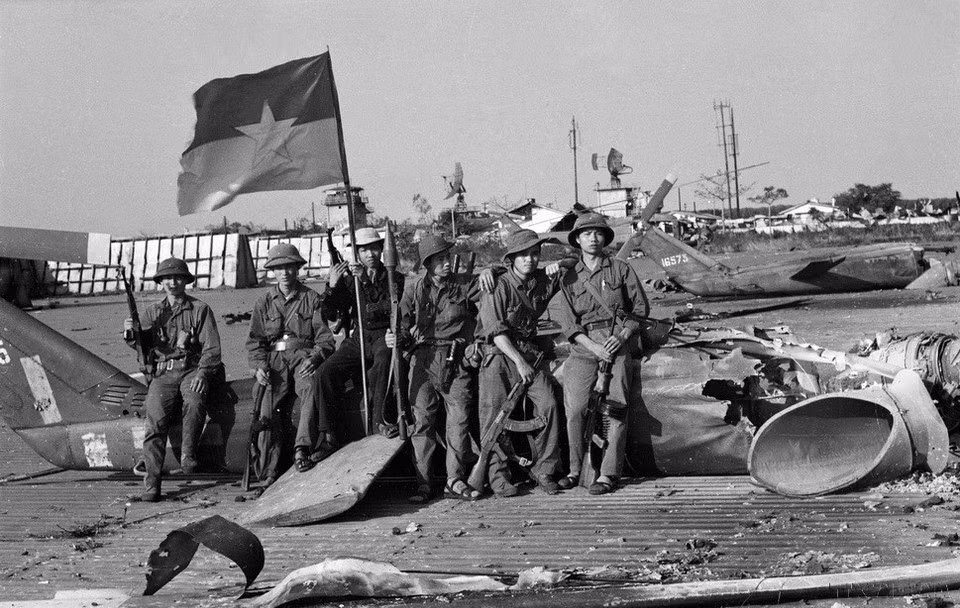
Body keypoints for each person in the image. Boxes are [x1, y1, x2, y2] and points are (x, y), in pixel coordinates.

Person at [554, 213, 647, 495]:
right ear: (577, 241)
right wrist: (593, 347)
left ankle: (608, 473)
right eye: (586, 234)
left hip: (616, 343)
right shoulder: (568, 277)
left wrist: (622, 336)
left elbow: (640, 310)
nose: (593, 238)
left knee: (615, 408)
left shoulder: (621, 269)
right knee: (577, 409)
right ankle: (574, 469)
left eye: (598, 233)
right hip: (584, 347)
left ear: (605, 238)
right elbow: (569, 323)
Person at [387, 235, 483, 503]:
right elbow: (401, 326)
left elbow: (491, 305)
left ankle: (455, 480)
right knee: (423, 422)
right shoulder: (414, 289)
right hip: (423, 360)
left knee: (459, 420)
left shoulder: (465, 285)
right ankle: (424, 483)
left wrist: (476, 342)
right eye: (439, 259)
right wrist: (395, 337)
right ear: (427, 264)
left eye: (447, 257)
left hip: (455, 358)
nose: (446, 263)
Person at [473, 229, 565, 497]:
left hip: (527, 354)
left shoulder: (541, 281)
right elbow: (497, 333)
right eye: (523, 255)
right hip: (499, 356)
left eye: (535, 254)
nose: (530, 259)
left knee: (548, 404)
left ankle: (544, 469)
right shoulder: (496, 286)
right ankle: (498, 478)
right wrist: (520, 363)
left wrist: (560, 265)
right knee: (494, 418)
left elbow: (574, 264)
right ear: (511, 259)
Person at [124, 257, 222, 502]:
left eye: (177, 277)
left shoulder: (200, 310)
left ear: (185, 281)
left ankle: (188, 455)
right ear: (161, 282)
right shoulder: (153, 312)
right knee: (154, 423)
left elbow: (212, 349)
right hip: (163, 373)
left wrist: (203, 373)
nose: (172, 282)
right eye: (167, 278)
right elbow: (141, 345)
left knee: (196, 401)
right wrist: (129, 332)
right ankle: (152, 484)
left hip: (191, 369)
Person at [246, 244, 335, 485]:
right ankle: (267, 468)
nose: (284, 272)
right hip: (274, 361)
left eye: (289, 267)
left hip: (302, 356)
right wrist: (259, 367)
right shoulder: (263, 302)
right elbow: (255, 341)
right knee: (264, 405)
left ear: (297, 269)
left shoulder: (312, 298)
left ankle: (302, 449)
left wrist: (315, 357)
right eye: (279, 268)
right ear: (273, 272)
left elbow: (325, 338)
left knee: (310, 389)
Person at [314, 227, 404, 446]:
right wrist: (332, 286)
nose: (370, 254)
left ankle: (379, 422)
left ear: (381, 250)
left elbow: (384, 307)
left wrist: (364, 282)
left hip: (385, 333)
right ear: (357, 254)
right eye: (364, 251)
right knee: (324, 372)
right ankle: (328, 433)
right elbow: (331, 312)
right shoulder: (348, 281)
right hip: (359, 337)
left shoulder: (394, 277)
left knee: (383, 361)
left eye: (374, 248)